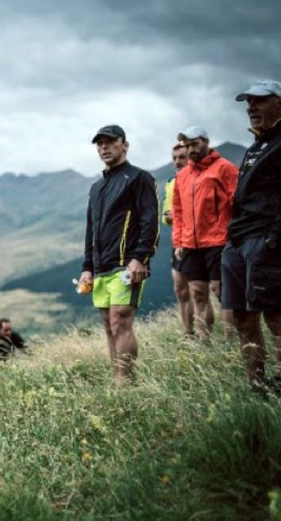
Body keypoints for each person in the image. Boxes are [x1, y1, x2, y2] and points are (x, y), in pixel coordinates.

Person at [221, 80, 281, 389]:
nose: (251, 108)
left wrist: (274, 238)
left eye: (259, 101)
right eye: (248, 102)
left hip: (267, 243)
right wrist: (232, 238)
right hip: (238, 242)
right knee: (242, 318)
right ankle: (257, 387)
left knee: (276, 316)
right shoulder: (257, 145)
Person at [78, 125, 159, 381]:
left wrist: (140, 258)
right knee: (108, 326)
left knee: (120, 322)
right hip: (101, 268)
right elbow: (91, 230)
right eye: (100, 144)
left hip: (127, 266)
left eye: (110, 142)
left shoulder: (139, 178)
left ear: (125, 144)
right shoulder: (96, 188)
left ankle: (126, 381)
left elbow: (150, 221)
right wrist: (87, 268)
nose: (104, 147)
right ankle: (117, 378)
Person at [172, 126, 239, 341]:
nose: (190, 149)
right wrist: (179, 241)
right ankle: (204, 340)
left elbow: (238, 203)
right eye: (187, 145)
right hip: (191, 244)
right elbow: (179, 210)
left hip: (219, 241)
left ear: (205, 141)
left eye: (194, 143)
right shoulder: (182, 176)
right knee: (197, 292)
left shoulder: (225, 169)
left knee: (222, 292)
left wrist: (232, 235)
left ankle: (230, 340)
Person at [163, 142, 194, 336]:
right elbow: (166, 217)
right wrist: (167, 218)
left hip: (202, 242)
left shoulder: (201, 178)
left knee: (203, 291)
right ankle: (188, 333)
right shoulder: (170, 182)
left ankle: (219, 337)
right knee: (180, 290)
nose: (177, 162)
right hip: (178, 241)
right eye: (174, 158)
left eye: (182, 157)